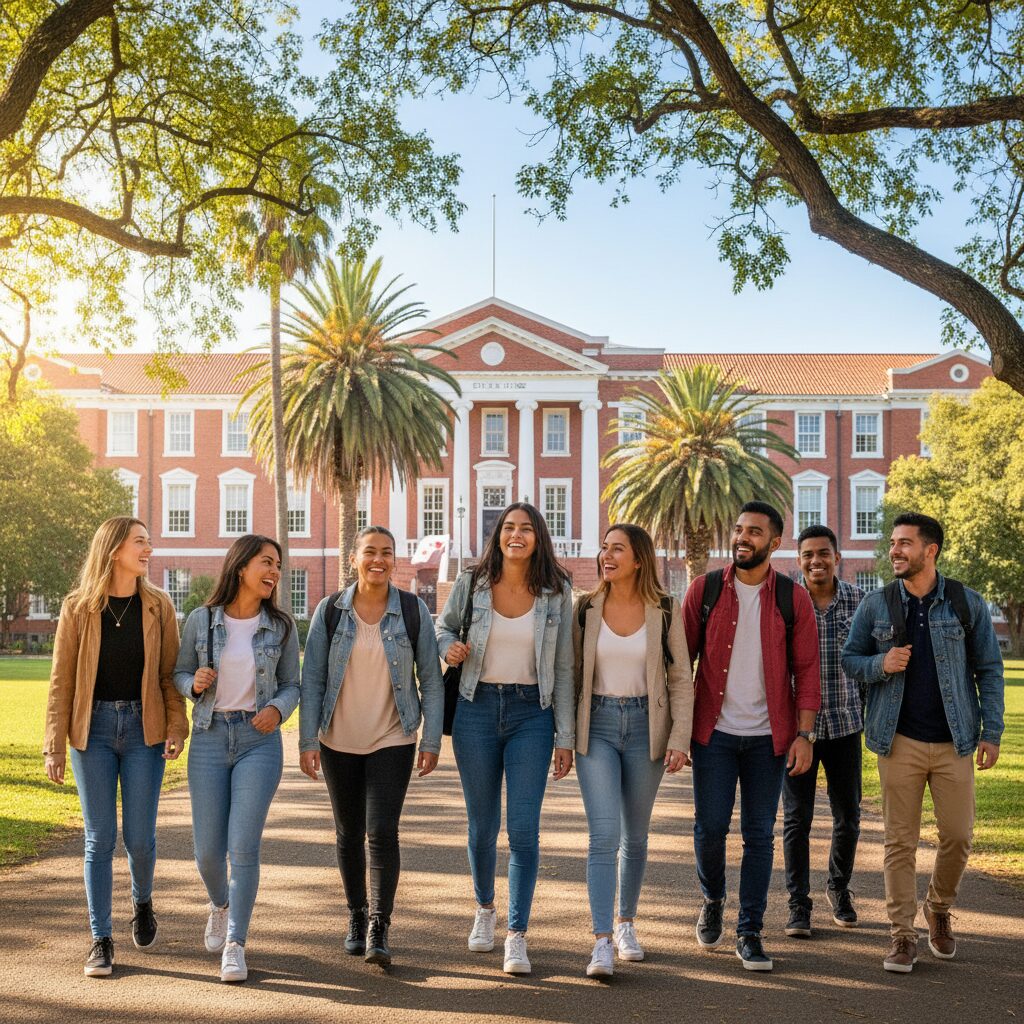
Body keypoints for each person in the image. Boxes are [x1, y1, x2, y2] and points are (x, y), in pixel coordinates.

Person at [842, 512, 1004, 974]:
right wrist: (881, 663)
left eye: (904, 543)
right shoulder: (878, 604)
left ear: (930, 550)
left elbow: (989, 670)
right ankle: (901, 935)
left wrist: (991, 732)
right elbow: (851, 658)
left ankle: (938, 906)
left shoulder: (964, 604)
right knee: (899, 842)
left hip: (955, 741)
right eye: (893, 542)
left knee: (958, 836)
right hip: (898, 740)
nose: (894, 550)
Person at [43, 516, 187, 977]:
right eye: (141, 542)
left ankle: (142, 901)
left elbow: (169, 675)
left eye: (149, 542)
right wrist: (54, 745)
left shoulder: (158, 606)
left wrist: (176, 726)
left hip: (144, 730)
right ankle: (100, 938)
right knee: (99, 838)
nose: (149, 549)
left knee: (140, 841)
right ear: (114, 549)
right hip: (94, 731)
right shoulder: (78, 607)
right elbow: (62, 680)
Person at [681, 501, 820, 972]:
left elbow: (807, 669)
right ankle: (713, 899)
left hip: (768, 738)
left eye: (754, 532)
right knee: (711, 828)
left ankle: (750, 930)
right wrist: (678, 732)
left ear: (774, 542)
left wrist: (804, 734)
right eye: (739, 529)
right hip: (713, 735)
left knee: (759, 835)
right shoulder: (704, 590)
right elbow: (680, 665)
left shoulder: (791, 597)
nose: (743, 537)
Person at [436, 501, 574, 976]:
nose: (516, 535)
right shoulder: (472, 582)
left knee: (524, 830)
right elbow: (443, 628)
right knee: (481, 827)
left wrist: (565, 736)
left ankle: (517, 933)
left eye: (526, 529)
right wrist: (447, 648)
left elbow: (564, 666)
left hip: (531, 714)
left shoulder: (557, 590)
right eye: (508, 528)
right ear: (497, 536)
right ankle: (484, 908)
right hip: (475, 708)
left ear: (539, 537)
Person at [299, 526, 444, 967]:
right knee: (348, 834)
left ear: (395, 561)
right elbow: (313, 680)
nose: (378, 560)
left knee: (381, 831)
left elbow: (431, 682)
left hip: (392, 737)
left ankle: (380, 924)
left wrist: (432, 739)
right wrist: (308, 740)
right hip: (338, 738)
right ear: (354, 559)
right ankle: (357, 917)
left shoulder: (412, 611)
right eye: (369, 552)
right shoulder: (330, 611)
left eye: (386, 553)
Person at [173, 534, 300, 984]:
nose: (274, 572)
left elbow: (292, 685)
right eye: (267, 562)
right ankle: (220, 905)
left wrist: (277, 710)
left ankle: (236, 943)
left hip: (258, 741)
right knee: (208, 853)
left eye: (278, 566)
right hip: (209, 738)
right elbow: (179, 672)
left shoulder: (281, 627)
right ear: (241, 566)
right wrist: (194, 683)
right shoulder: (200, 620)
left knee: (243, 848)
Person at [573, 524, 693, 978]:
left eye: (616, 548)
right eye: (604, 547)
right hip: (598, 726)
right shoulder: (584, 608)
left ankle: (627, 923)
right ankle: (601, 940)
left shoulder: (663, 608)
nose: (606, 554)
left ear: (638, 559)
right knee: (603, 834)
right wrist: (565, 740)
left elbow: (681, 677)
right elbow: (572, 674)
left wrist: (679, 738)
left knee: (635, 837)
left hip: (647, 728)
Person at [782, 525, 866, 938]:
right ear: (799, 560)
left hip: (847, 725)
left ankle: (839, 888)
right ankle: (798, 902)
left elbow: (873, 662)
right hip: (798, 732)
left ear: (836, 557)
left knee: (847, 815)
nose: (816, 561)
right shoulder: (786, 602)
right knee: (797, 819)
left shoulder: (860, 602)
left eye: (823, 554)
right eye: (808, 555)